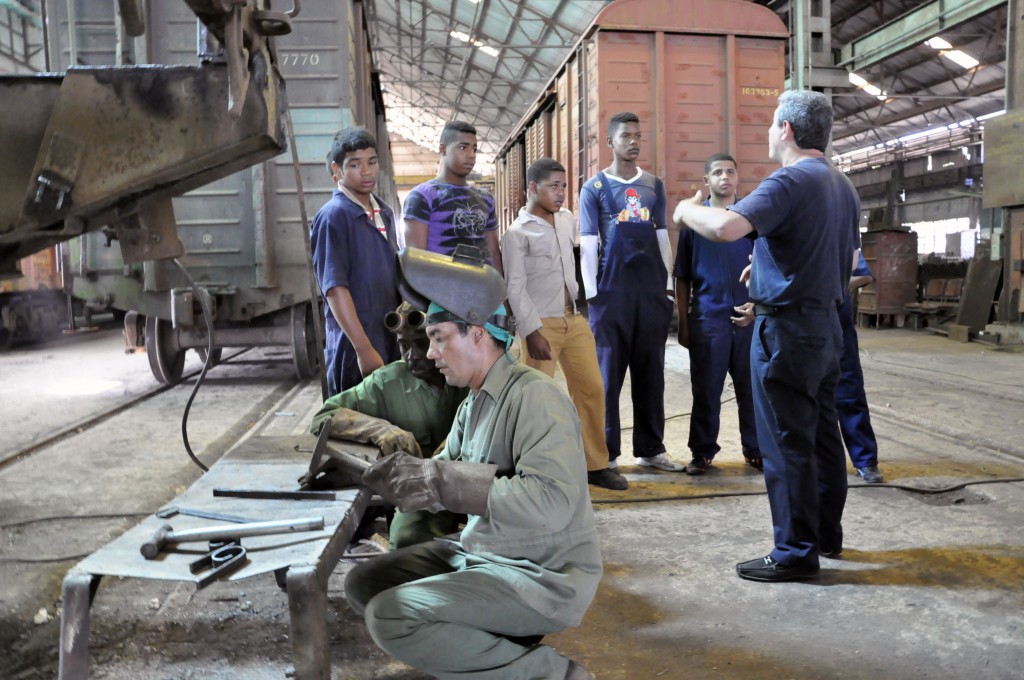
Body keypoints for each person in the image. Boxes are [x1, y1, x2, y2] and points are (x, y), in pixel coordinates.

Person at [345, 248, 600, 680]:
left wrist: (441, 480)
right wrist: (377, 482)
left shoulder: (535, 397)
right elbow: (440, 473)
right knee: (364, 584)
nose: (430, 353)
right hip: (485, 552)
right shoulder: (475, 402)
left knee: (391, 615)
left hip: (541, 574)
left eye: (440, 337)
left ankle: (552, 674)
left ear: (478, 334)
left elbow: (550, 502)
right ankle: (485, 649)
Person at [672, 90, 859, 582]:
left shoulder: (790, 180)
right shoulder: (841, 185)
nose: (769, 132)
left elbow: (728, 227)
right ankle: (825, 536)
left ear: (788, 131)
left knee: (785, 441)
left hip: (787, 333)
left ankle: (795, 551)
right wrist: (773, 264)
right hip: (825, 328)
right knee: (821, 437)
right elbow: (828, 255)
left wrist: (684, 213)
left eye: (773, 124)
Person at [501, 157, 628, 491]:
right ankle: (529, 468)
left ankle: (595, 465)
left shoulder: (566, 219)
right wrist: (531, 331)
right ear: (533, 187)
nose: (560, 194)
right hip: (541, 324)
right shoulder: (516, 234)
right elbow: (514, 286)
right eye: (553, 186)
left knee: (591, 389)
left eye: (563, 187)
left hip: (573, 321)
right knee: (534, 399)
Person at [308, 302, 470, 548]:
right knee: (409, 541)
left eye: (421, 344)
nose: (411, 355)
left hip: (474, 480)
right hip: (424, 492)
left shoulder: (467, 374)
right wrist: (381, 430)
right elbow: (325, 416)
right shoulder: (388, 382)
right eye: (404, 345)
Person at [579, 111, 681, 472]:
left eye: (638, 136)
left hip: (650, 294)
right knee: (607, 379)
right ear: (610, 142)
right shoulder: (594, 188)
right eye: (626, 136)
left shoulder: (654, 185)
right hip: (611, 296)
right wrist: (593, 295)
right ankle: (606, 454)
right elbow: (589, 243)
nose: (634, 142)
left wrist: (667, 287)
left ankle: (650, 449)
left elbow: (661, 236)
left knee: (651, 374)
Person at [673, 153, 761, 475]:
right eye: (718, 173)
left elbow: (766, 266)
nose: (725, 177)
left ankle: (755, 450)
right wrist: (684, 323)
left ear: (737, 178)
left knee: (750, 390)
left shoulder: (749, 220)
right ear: (707, 180)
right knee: (706, 391)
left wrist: (758, 305)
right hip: (708, 320)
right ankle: (702, 452)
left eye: (730, 172)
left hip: (747, 319)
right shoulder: (695, 222)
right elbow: (682, 276)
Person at [310, 127, 400, 396]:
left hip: (388, 338)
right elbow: (335, 289)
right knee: (357, 427)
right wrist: (364, 350)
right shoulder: (333, 217)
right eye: (355, 165)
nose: (367, 172)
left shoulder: (383, 212)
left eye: (372, 162)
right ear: (336, 170)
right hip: (354, 348)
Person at [402, 120, 504, 275]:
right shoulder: (423, 196)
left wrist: (500, 294)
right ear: (443, 149)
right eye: (463, 147)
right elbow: (415, 262)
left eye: (474, 149)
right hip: (440, 293)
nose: (471, 155)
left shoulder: (485, 199)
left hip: (482, 292)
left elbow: (494, 253)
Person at [839, 250, 884, 483]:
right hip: (801, 320)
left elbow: (864, 275)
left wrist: (831, 285)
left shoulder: (840, 230)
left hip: (836, 319)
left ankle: (865, 460)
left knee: (848, 390)